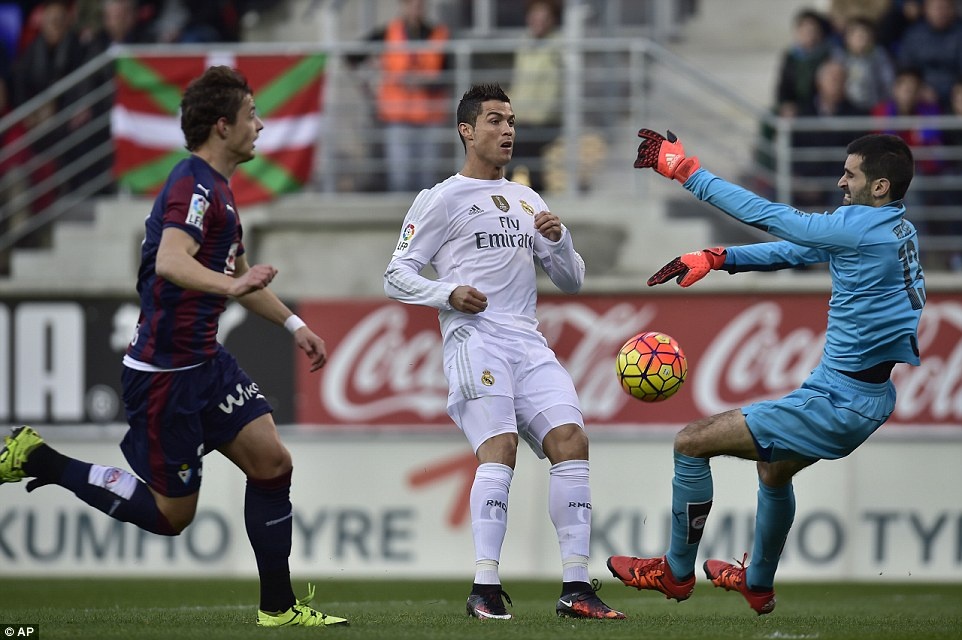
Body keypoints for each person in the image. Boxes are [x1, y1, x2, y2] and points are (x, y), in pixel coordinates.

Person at [0, 66, 347, 629]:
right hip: (163, 376)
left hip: (206, 361)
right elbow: (172, 261)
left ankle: (278, 609)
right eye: (251, 115)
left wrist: (293, 325)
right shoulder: (193, 184)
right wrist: (232, 285)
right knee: (171, 517)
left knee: (272, 463)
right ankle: (40, 458)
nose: (260, 125)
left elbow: (237, 273)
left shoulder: (223, 194)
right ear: (221, 126)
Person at [607, 128, 924, 614]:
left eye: (851, 174)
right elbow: (800, 251)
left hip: (841, 402)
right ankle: (757, 584)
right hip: (857, 394)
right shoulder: (891, 227)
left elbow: (772, 218)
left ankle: (674, 573)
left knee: (691, 442)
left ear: (880, 187)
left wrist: (687, 172)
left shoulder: (858, 229)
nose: (841, 182)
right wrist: (720, 257)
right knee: (773, 472)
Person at [383, 83, 625, 621]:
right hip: (475, 338)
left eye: (511, 120)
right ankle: (485, 587)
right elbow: (396, 275)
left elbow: (573, 281)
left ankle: (576, 587)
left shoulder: (527, 198)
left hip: (527, 341)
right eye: (495, 120)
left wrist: (559, 240)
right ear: (467, 130)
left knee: (571, 441)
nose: (508, 130)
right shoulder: (442, 197)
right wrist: (447, 293)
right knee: (502, 449)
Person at [349, 0, 451, 192]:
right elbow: (352, 56)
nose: (415, 8)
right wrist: (369, 82)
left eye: (419, 4)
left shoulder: (439, 34)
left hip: (429, 116)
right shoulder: (388, 32)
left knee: (428, 180)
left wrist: (426, 82)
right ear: (402, 6)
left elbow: (449, 74)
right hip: (397, 117)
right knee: (400, 179)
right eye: (410, 4)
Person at [507, 0, 563, 192]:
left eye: (543, 17)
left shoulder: (558, 47)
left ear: (552, 20)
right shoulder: (524, 44)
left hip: (544, 120)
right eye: (534, 16)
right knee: (513, 154)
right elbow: (518, 82)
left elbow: (555, 90)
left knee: (513, 155)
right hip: (522, 118)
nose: (538, 21)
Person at [896, 0, 962, 109]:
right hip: (921, 89)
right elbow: (906, 66)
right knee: (905, 88)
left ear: (952, 10)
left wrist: (955, 90)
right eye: (936, 8)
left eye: (944, 8)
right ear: (925, 10)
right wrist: (920, 88)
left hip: (954, 90)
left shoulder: (959, 33)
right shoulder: (914, 34)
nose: (940, 12)